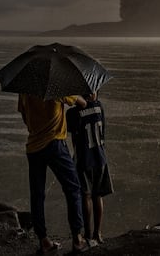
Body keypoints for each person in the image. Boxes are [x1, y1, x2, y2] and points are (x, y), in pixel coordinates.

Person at [18, 93, 91, 254]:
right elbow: (83, 103)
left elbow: (25, 118)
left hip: (33, 146)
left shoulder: (25, 90)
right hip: (55, 143)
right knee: (73, 189)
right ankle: (77, 238)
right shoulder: (56, 86)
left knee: (37, 195)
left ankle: (44, 240)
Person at [66, 91, 113, 245]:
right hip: (100, 157)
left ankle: (87, 233)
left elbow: (72, 135)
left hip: (84, 159)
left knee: (85, 196)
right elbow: (103, 132)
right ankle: (97, 233)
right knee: (97, 195)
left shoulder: (73, 113)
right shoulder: (100, 106)